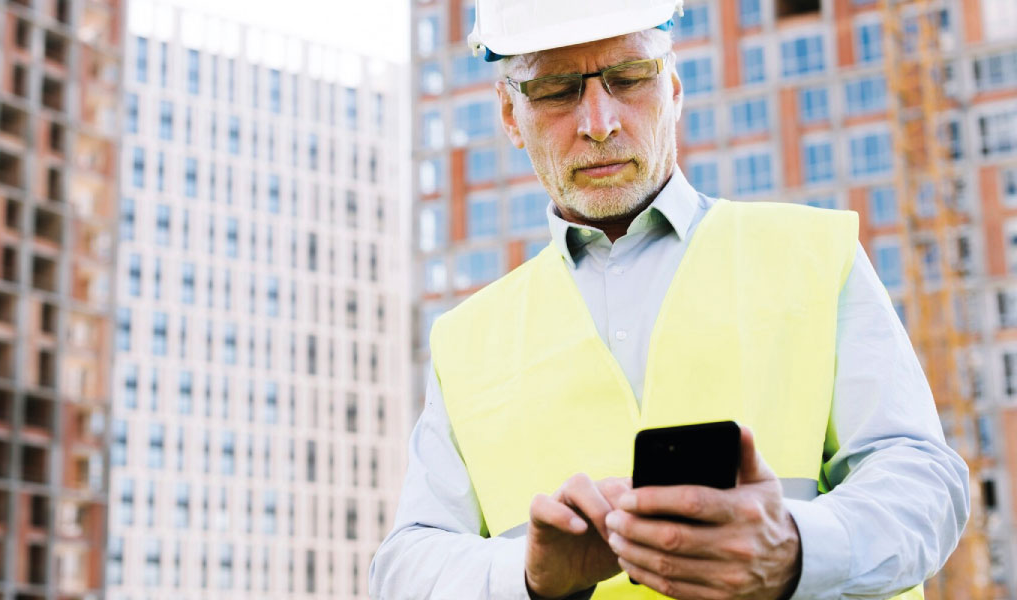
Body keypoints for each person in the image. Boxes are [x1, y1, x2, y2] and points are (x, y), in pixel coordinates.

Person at [369, 0, 970, 598]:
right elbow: (405, 567)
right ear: (509, 114)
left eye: (629, 79)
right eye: (556, 91)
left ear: (674, 87)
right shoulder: (467, 341)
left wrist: (793, 547)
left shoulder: (814, 255)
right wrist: (525, 576)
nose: (599, 121)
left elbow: (924, 484)